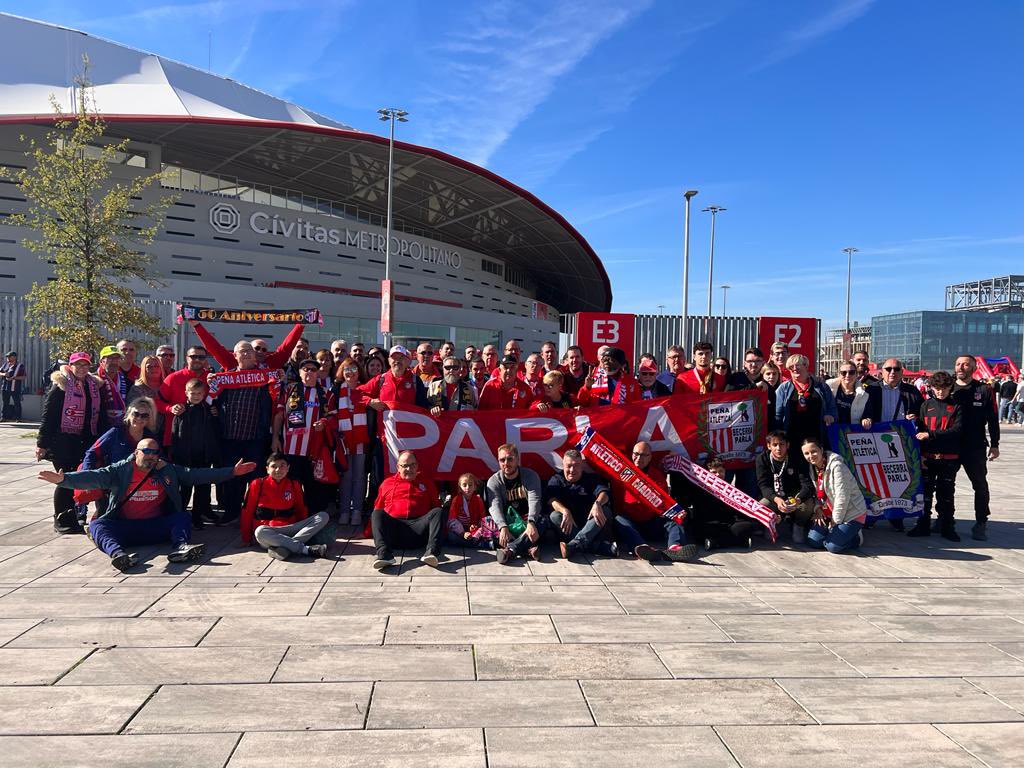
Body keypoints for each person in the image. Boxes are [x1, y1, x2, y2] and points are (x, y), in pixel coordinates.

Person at [39, 438, 254, 570]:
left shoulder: (166, 470)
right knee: (97, 526)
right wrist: (64, 479)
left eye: (154, 452)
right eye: (146, 451)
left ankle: (181, 548)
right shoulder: (120, 471)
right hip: (126, 528)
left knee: (181, 517)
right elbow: (94, 477)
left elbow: (197, 475)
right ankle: (119, 555)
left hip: (155, 526)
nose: (151, 456)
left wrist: (232, 472)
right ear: (136, 453)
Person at [37, 353, 108, 534]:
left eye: (85, 365)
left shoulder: (93, 385)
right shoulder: (61, 386)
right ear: (71, 365)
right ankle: (62, 519)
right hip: (63, 441)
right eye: (78, 365)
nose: (82, 368)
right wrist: (42, 443)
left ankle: (74, 517)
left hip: (85, 440)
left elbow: (98, 414)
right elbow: (49, 416)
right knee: (64, 479)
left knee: (77, 479)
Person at [214, 341, 277, 523]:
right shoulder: (225, 377)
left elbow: (275, 398)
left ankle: (253, 514)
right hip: (230, 437)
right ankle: (232, 512)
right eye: (243, 351)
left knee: (255, 479)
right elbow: (214, 399)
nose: (248, 354)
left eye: (250, 351)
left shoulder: (264, 377)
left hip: (254, 438)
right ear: (235, 355)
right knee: (231, 478)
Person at [272, 358, 337, 514]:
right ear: (300, 372)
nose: (309, 372)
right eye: (305, 369)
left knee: (313, 489)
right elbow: (279, 415)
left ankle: (313, 518)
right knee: (290, 485)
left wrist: (324, 423)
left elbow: (333, 417)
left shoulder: (325, 393)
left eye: (313, 369)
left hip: (314, 451)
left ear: (318, 373)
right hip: (291, 449)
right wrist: (275, 438)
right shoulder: (289, 389)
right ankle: (289, 514)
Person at [613, 441, 695, 561]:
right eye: (636, 454)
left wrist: (676, 513)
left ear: (650, 457)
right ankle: (641, 548)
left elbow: (665, 503)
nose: (638, 458)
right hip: (630, 522)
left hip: (651, 521)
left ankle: (674, 548)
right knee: (619, 520)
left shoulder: (657, 475)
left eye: (643, 455)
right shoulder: (622, 472)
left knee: (675, 521)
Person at [240, 453, 329, 560]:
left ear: (288, 468)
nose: (278, 470)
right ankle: (305, 549)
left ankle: (284, 548)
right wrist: (246, 538)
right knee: (259, 532)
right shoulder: (257, 484)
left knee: (323, 516)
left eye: (282, 466)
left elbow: (302, 509)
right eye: (274, 466)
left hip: (290, 529)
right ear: (267, 469)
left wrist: (303, 529)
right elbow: (247, 511)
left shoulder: (294, 484)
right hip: (268, 531)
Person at [370, 450, 444, 570]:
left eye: (412, 465)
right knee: (377, 513)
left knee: (438, 511)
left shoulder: (427, 483)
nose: (409, 469)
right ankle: (384, 555)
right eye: (405, 466)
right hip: (394, 532)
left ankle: (431, 553)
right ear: (398, 467)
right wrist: (367, 532)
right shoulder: (387, 483)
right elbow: (378, 508)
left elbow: (436, 508)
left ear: (417, 466)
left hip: (419, 531)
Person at [910, 371, 961, 540]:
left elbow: (957, 431)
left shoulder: (957, 405)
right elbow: (919, 430)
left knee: (946, 495)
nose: (940, 392)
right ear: (931, 388)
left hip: (949, 458)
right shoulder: (925, 405)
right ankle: (923, 525)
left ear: (950, 388)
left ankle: (948, 527)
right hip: (928, 458)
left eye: (944, 388)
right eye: (937, 388)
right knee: (924, 494)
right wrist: (912, 420)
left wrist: (930, 435)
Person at [953, 355, 999, 541]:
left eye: (965, 364)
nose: (961, 367)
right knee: (944, 484)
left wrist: (995, 444)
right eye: (958, 364)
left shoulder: (984, 390)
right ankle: (943, 518)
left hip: (975, 447)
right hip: (951, 445)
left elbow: (993, 419)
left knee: (980, 485)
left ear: (974, 367)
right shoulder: (947, 388)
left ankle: (981, 522)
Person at [546, 449, 617, 560]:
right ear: (563, 465)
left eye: (576, 466)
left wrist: (597, 503)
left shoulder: (591, 478)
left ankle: (574, 545)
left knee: (605, 510)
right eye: (568, 466)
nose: (572, 470)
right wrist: (565, 510)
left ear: (582, 465)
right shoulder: (556, 479)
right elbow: (551, 500)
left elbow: (605, 493)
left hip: (591, 526)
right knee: (554, 516)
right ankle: (597, 547)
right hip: (570, 526)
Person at [800, 437, 868, 553]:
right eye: (806, 453)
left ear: (821, 450)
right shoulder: (813, 467)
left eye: (814, 451)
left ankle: (855, 537)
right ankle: (837, 534)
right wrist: (818, 509)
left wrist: (835, 522)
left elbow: (842, 497)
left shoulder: (837, 466)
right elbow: (817, 494)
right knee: (814, 541)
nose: (811, 456)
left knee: (832, 547)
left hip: (851, 513)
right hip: (828, 511)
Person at [170, 378, 221, 529]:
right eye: (193, 393)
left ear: (204, 393)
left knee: (202, 488)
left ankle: (197, 516)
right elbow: (174, 435)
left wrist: (213, 453)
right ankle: (180, 515)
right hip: (185, 457)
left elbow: (214, 433)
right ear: (186, 393)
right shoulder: (181, 411)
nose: (196, 396)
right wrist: (175, 454)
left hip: (203, 456)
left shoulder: (209, 410)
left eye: (199, 393)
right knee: (184, 489)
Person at [678, 457, 757, 552]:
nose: (718, 475)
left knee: (747, 526)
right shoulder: (699, 489)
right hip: (709, 524)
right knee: (701, 531)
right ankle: (737, 541)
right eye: (714, 472)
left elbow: (735, 514)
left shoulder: (729, 491)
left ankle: (717, 543)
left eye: (721, 471)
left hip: (727, 524)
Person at [755, 430, 815, 543]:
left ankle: (798, 526)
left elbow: (807, 485)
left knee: (808, 503)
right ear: (768, 446)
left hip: (794, 496)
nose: (778, 448)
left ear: (788, 445)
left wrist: (798, 499)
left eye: (782, 444)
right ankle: (770, 524)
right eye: (775, 445)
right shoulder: (762, 459)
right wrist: (777, 499)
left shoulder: (796, 458)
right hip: (774, 496)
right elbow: (763, 486)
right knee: (762, 505)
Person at [490, 443, 545, 564]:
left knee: (542, 521)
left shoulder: (530, 476)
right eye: (502, 460)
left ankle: (510, 551)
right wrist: (503, 526)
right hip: (507, 523)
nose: (506, 463)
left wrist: (531, 521)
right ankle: (528, 548)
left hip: (527, 520)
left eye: (510, 459)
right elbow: (495, 506)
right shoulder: (494, 481)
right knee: (488, 524)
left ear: (517, 459)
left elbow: (535, 500)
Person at [191, 318, 304, 372]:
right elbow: (214, 347)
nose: (260, 352)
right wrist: (197, 325)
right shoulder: (233, 363)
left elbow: (286, 348)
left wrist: (301, 324)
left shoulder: (271, 364)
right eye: (256, 348)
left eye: (264, 350)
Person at [775, 354, 837, 453]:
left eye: (798, 365)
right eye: (791, 367)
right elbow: (778, 415)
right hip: (792, 438)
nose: (795, 369)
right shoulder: (783, 389)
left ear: (806, 366)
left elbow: (832, 408)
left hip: (817, 437)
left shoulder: (822, 387)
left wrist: (830, 416)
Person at [334, 357, 370, 527]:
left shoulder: (365, 389)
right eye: (347, 369)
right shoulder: (336, 389)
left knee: (360, 476)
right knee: (346, 476)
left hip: (361, 439)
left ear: (359, 372)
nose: (350, 373)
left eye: (354, 369)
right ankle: (344, 511)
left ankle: (356, 510)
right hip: (343, 440)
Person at [158, 345, 210, 446]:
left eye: (201, 357)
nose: (197, 360)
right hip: (177, 436)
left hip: (203, 439)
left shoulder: (211, 379)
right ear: (186, 358)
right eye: (193, 357)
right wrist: (170, 408)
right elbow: (156, 402)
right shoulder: (173, 378)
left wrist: (214, 408)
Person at [861, 358, 924, 429]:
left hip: (903, 434)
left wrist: (916, 417)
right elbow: (861, 411)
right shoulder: (871, 389)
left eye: (897, 369)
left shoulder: (912, 391)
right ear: (882, 372)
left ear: (902, 372)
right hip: (878, 433)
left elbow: (923, 412)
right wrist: (866, 418)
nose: (892, 372)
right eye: (888, 369)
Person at [446, 473, 497, 548]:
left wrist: (476, 526)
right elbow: (452, 519)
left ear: (474, 487)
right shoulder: (456, 500)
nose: (467, 488)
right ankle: (481, 544)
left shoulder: (478, 500)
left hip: (475, 530)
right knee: (451, 535)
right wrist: (463, 533)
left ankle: (476, 541)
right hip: (461, 531)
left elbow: (482, 517)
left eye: (470, 485)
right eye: (464, 485)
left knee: (489, 520)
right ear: (460, 487)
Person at [127, 355, 167, 436]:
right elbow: (133, 413)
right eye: (149, 367)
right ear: (143, 369)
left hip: (167, 431)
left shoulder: (167, 386)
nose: (154, 369)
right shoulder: (137, 389)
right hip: (143, 431)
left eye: (156, 366)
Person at [827, 361, 869, 426]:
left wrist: (866, 420)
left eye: (851, 372)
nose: (847, 375)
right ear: (839, 374)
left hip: (852, 433)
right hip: (832, 431)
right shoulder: (828, 389)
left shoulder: (864, 393)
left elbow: (868, 414)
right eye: (843, 373)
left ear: (856, 374)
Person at [97, 345, 129, 425]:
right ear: (101, 361)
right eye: (110, 358)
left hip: (121, 425)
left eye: (117, 358)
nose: (114, 362)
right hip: (99, 425)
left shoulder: (125, 380)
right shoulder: (93, 380)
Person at [0, 350, 26, 422]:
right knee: (5, 403)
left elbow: (24, 377)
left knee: (17, 402)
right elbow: (0, 372)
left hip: (15, 388)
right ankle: (3, 417)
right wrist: (4, 374)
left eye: (9, 357)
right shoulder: (5, 365)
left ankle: (18, 418)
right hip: (5, 387)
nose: (7, 358)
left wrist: (14, 378)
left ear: (14, 357)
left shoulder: (20, 366)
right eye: (7, 357)